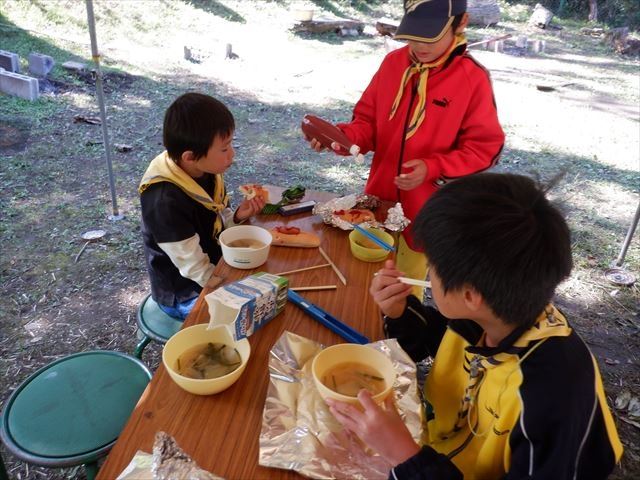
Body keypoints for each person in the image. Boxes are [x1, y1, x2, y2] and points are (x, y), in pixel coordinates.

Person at [326, 173, 623, 479]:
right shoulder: (490, 315)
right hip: (439, 451)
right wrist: (400, 312)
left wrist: (404, 455)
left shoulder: (552, 399)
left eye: (433, 267)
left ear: (469, 295)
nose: (428, 274)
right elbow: (433, 339)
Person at [306, 0, 504, 297]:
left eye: (431, 36)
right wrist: (344, 138)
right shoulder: (393, 64)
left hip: (428, 212)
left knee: (402, 294)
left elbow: (485, 148)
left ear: (461, 23)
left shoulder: (471, 78)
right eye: (413, 35)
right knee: (364, 287)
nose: (419, 46)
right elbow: (367, 122)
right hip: (378, 205)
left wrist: (433, 167)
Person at [139, 92, 265, 320]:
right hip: (185, 291)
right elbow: (192, 266)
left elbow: (216, 215)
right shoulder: (164, 200)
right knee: (246, 316)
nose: (232, 154)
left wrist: (237, 217)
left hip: (215, 265)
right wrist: (232, 288)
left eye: (231, 145)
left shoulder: (204, 171)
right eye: (224, 149)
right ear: (189, 156)